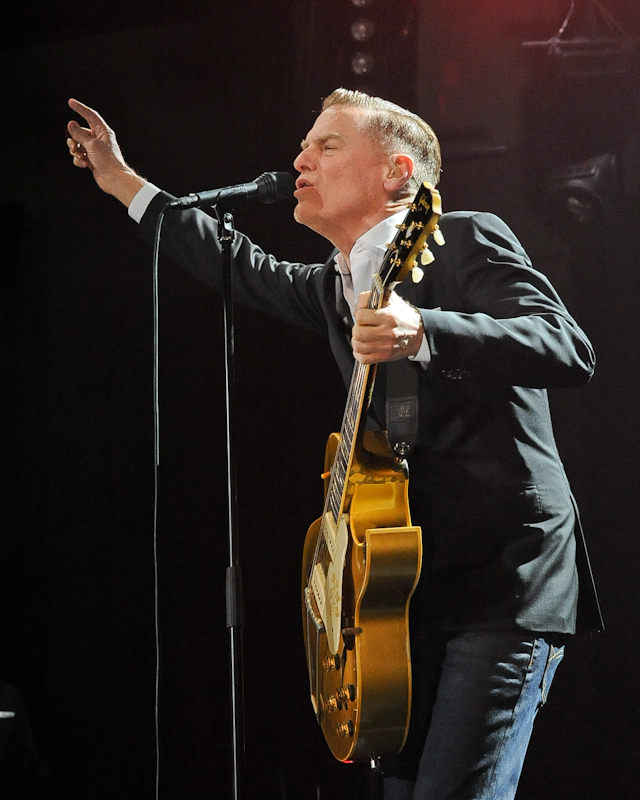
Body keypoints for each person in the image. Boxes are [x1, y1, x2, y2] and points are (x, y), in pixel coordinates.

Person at [66, 89, 600, 800]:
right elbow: (237, 262)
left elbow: (567, 346)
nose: (299, 160)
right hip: (400, 592)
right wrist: (121, 181)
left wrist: (427, 330)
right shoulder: (334, 289)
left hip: (500, 581)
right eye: (303, 146)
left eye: (327, 145)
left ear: (397, 172)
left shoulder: (468, 237)